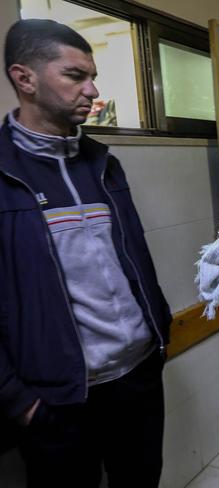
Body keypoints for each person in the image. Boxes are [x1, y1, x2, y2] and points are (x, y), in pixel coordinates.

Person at [0, 19, 171, 487]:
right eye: (75, 75)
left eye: (92, 76)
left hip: (137, 378)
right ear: (25, 78)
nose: (92, 89)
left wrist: (159, 332)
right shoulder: (4, 173)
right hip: (59, 400)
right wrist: (19, 401)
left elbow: (132, 260)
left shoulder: (103, 163)